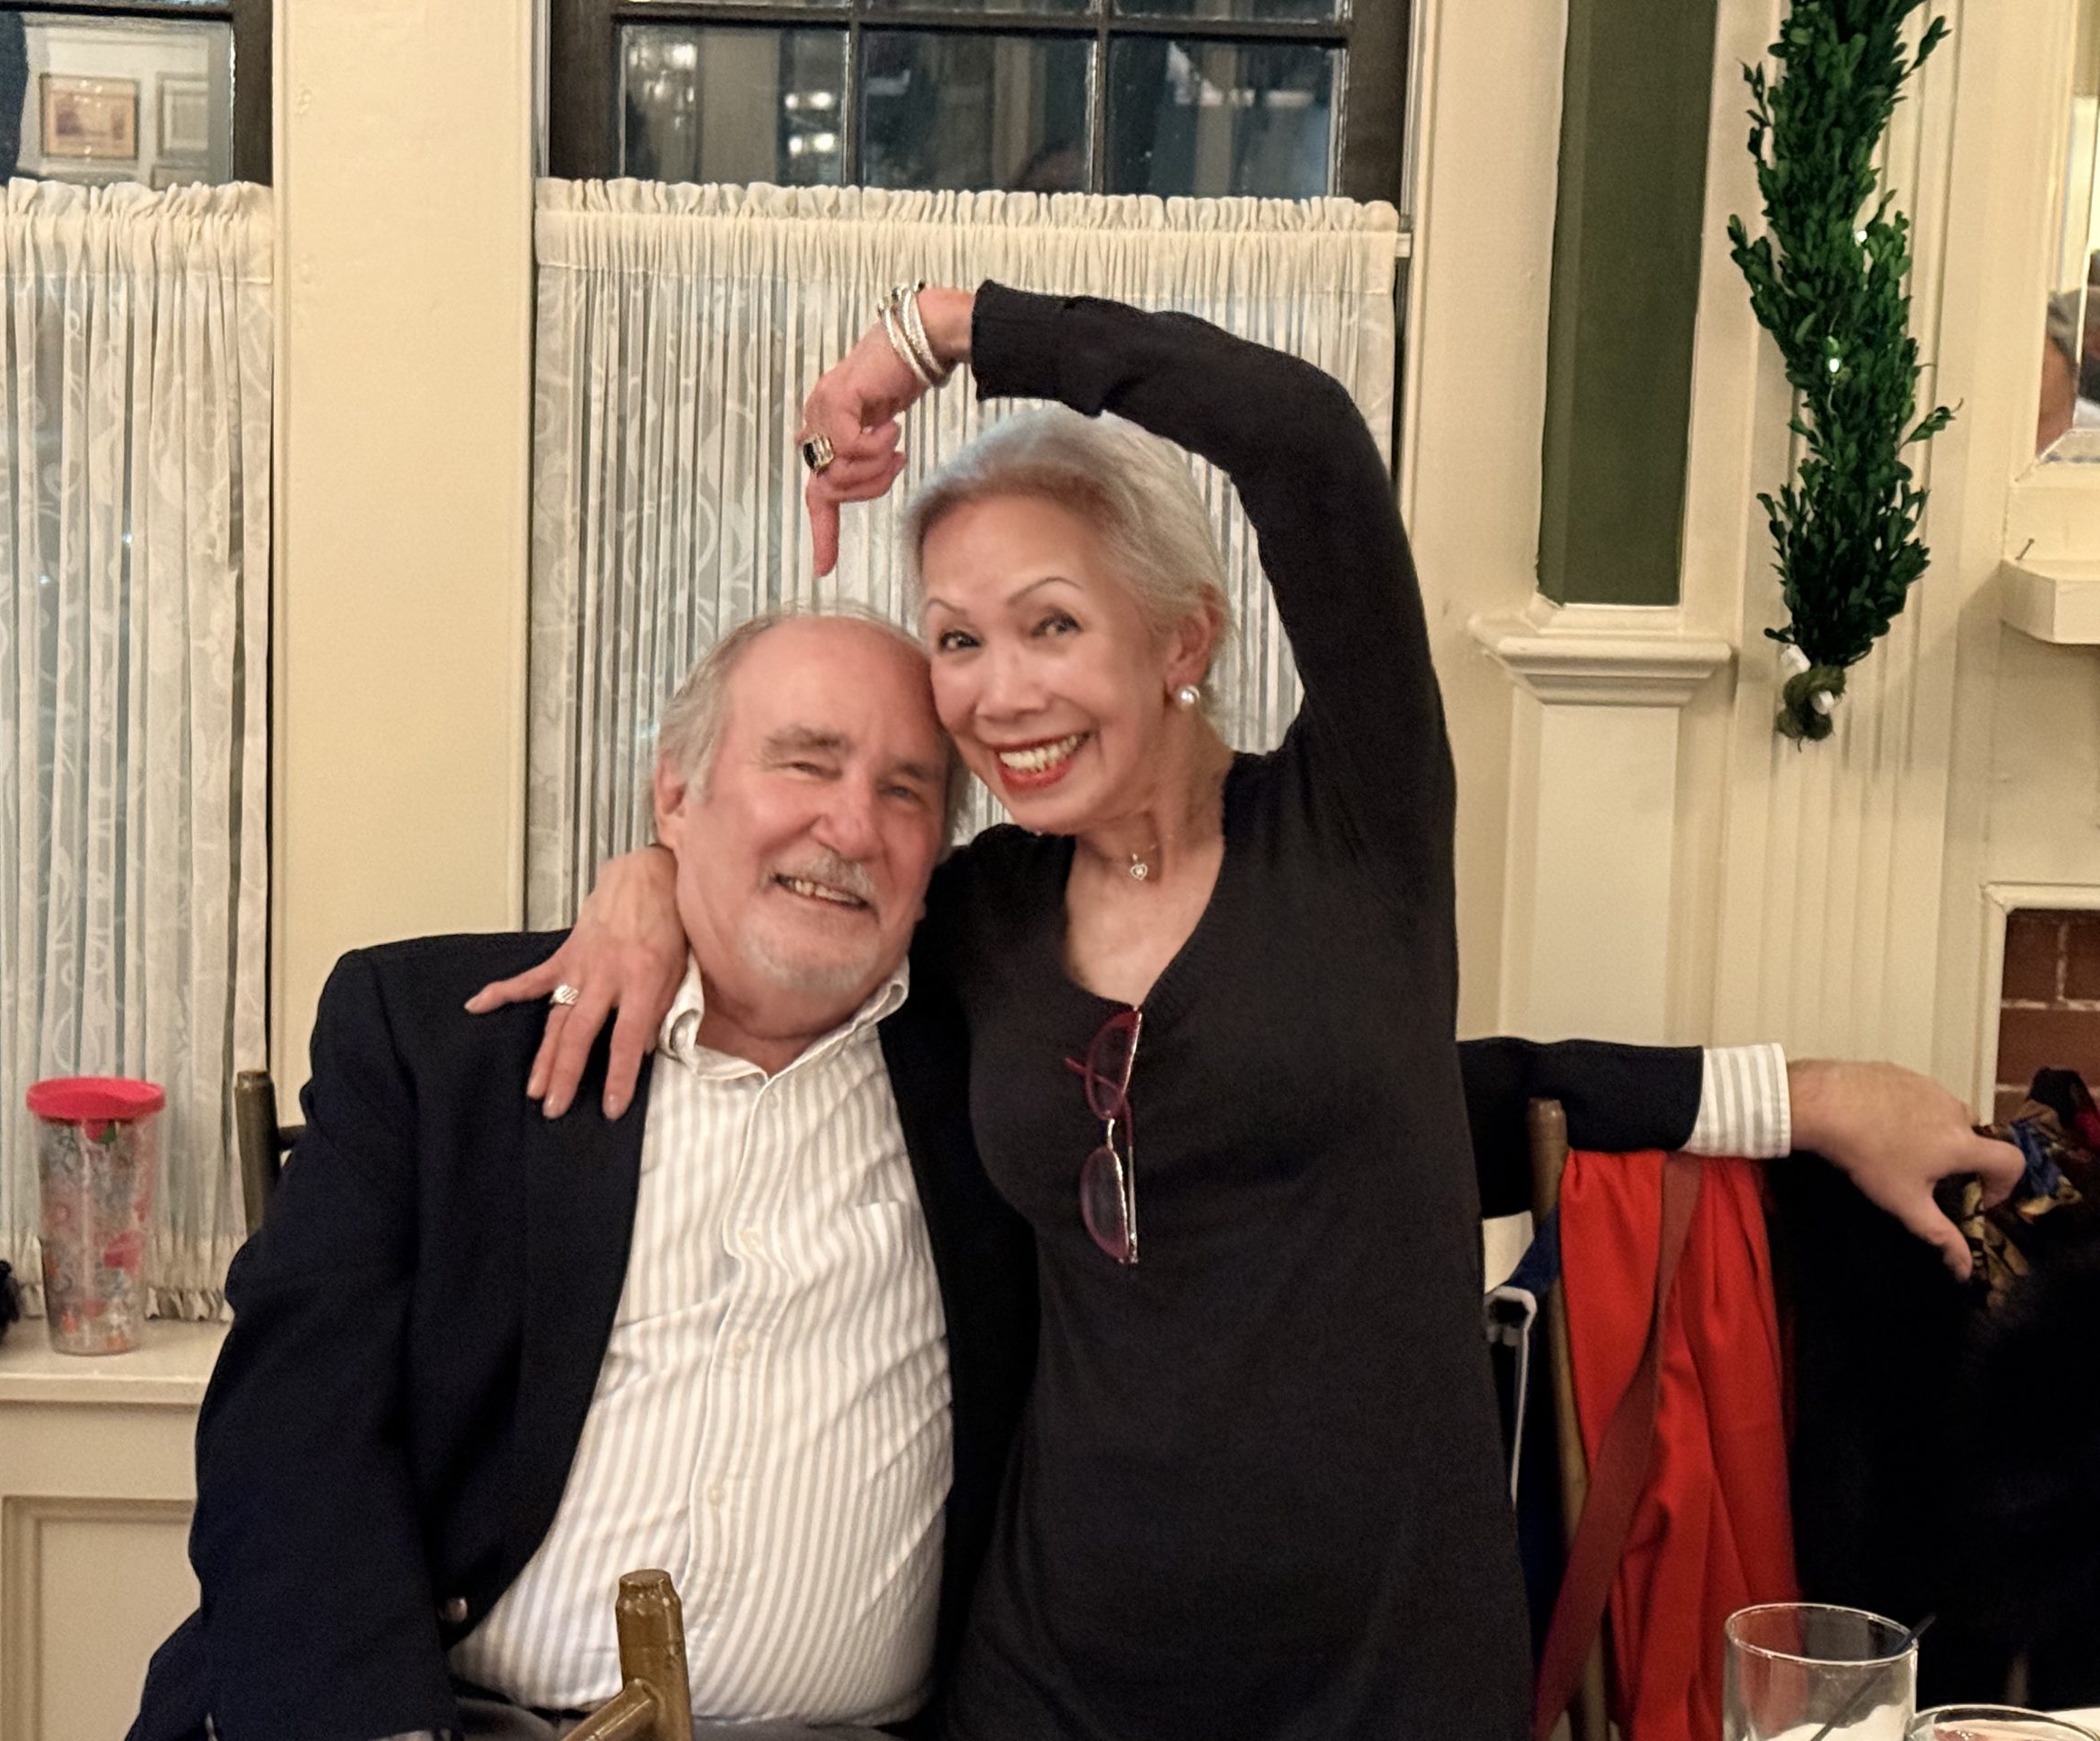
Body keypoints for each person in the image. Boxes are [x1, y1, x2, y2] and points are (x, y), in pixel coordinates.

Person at [480, 284, 2024, 1739]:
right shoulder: (981, 915)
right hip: (1055, 1675)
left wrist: (946, 330)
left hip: (1380, 1675)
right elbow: (793, 892)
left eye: (1051, 624)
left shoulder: (1354, 825)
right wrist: (647, 881)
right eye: (957, 640)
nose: (997, 694)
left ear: (1184, 641)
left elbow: (1303, 439)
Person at [131, 615, 1038, 1741]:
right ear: (677, 795)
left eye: (906, 791)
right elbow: (290, 1437)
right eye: (805, 764)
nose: (852, 825)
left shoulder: (1004, 1073)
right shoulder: (440, 1044)